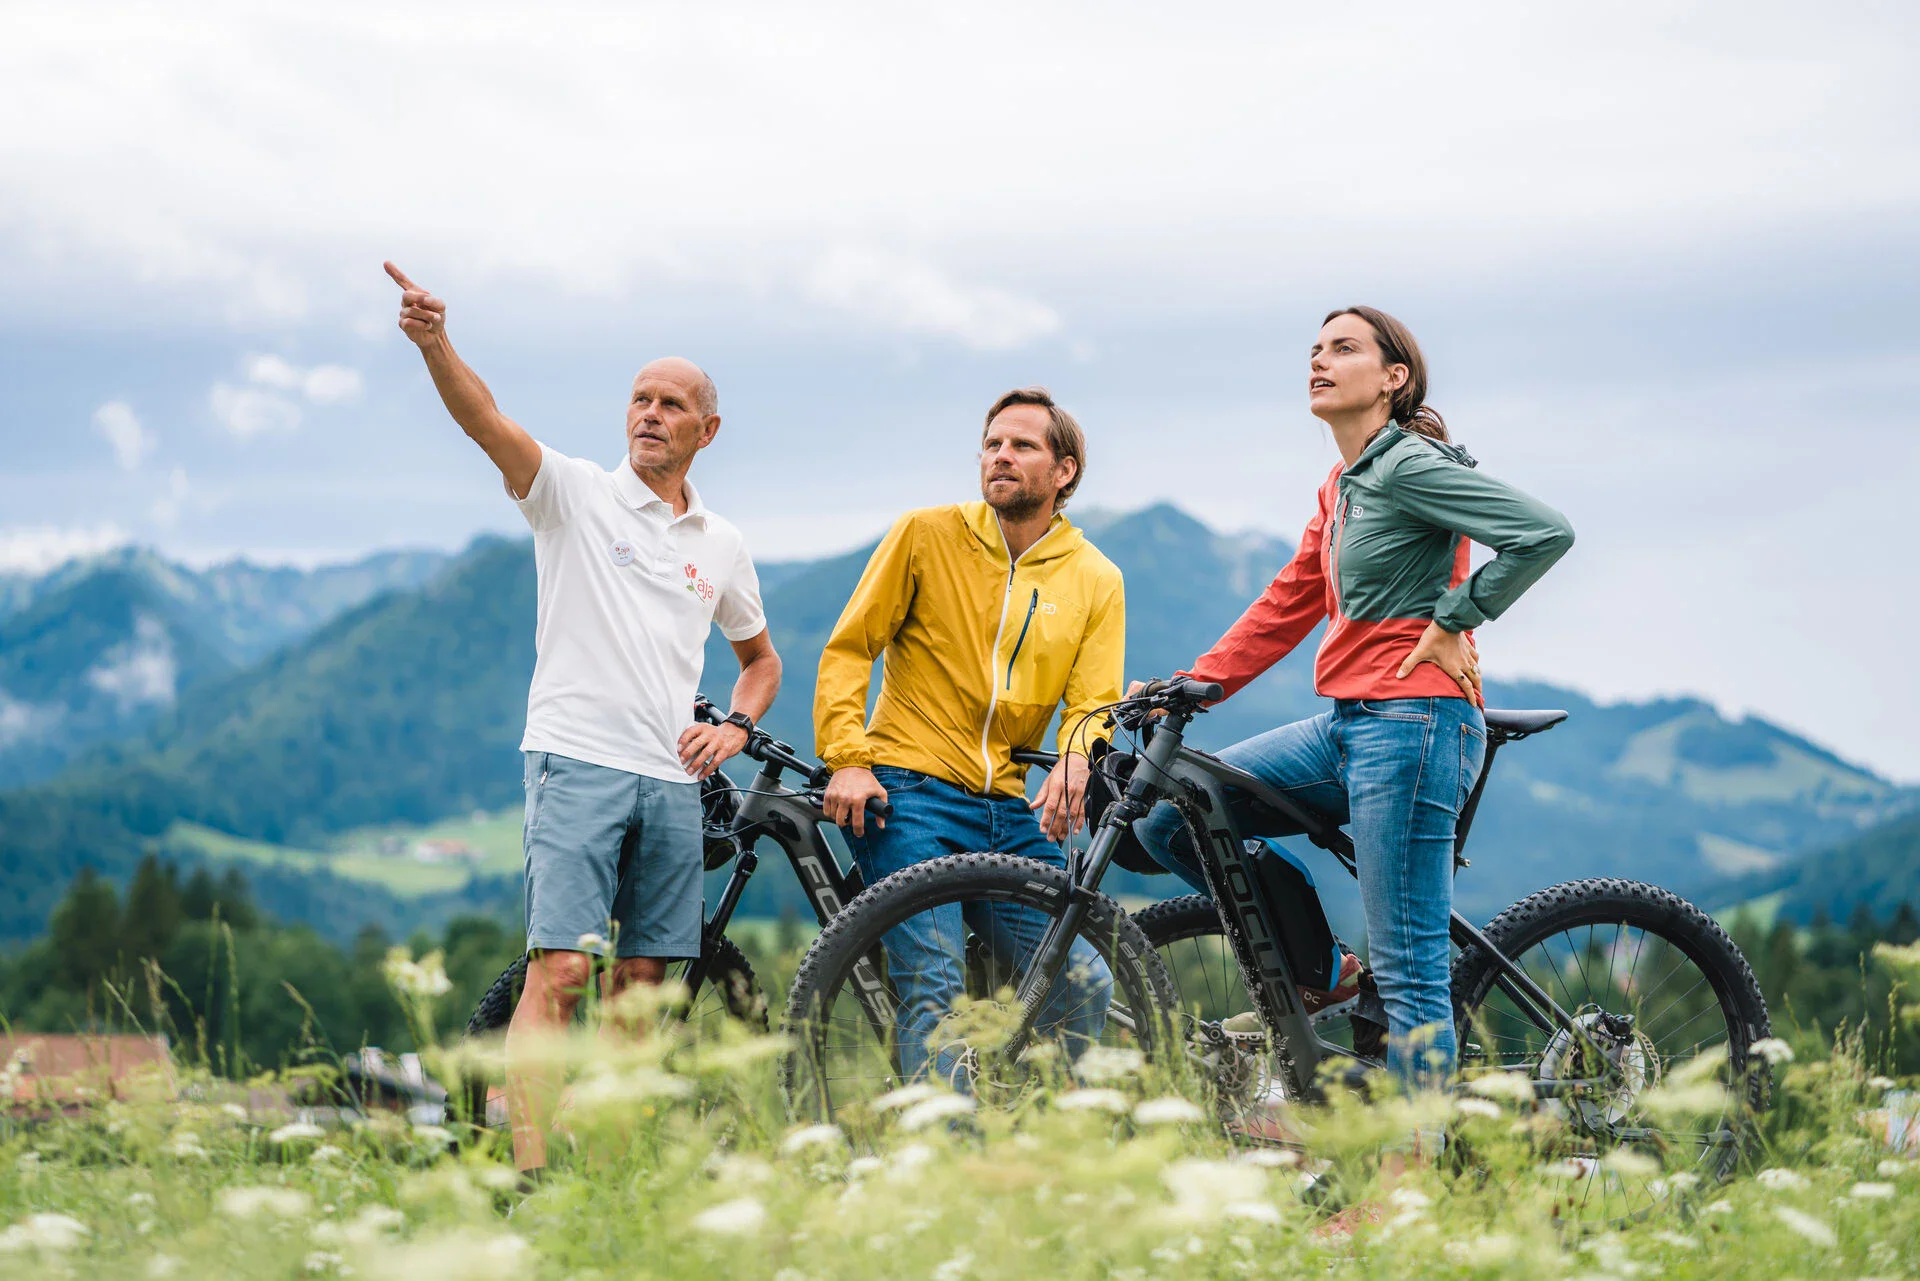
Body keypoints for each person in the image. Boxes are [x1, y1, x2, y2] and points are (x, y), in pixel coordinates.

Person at [384, 263, 782, 1180]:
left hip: (675, 781)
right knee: (559, 971)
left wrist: (732, 728)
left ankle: (598, 1169)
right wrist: (436, 342)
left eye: (672, 403)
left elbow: (760, 661)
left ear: (706, 430)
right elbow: (485, 421)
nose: (650, 412)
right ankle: (529, 1178)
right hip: (575, 761)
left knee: (645, 990)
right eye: (640, 398)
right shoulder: (571, 492)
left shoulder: (720, 544)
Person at [1136, 306, 1574, 1127]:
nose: (1320, 360)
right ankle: (1324, 970)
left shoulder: (1411, 465)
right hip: (1347, 724)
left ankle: (1410, 1192)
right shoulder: (1343, 484)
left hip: (1416, 723)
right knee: (1174, 819)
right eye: (1314, 349)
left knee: (1409, 972)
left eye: (1344, 348)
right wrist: (1193, 683)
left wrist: (1457, 615)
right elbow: (1290, 598)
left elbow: (1543, 532)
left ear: (1394, 378)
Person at [814, 388, 1123, 1082]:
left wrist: (1077, 763)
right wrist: (848, 757)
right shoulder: (925, 534)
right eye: (992, 443)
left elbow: (1093, 701)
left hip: (1007, 812)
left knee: (1082, 980)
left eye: (1022, 445)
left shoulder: (1097, 578)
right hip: (906, 793)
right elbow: (849, 649)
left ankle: (1039, 1147)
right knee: (939, 992)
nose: (1001, 456)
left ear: (1064, 470)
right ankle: (940, 1174)